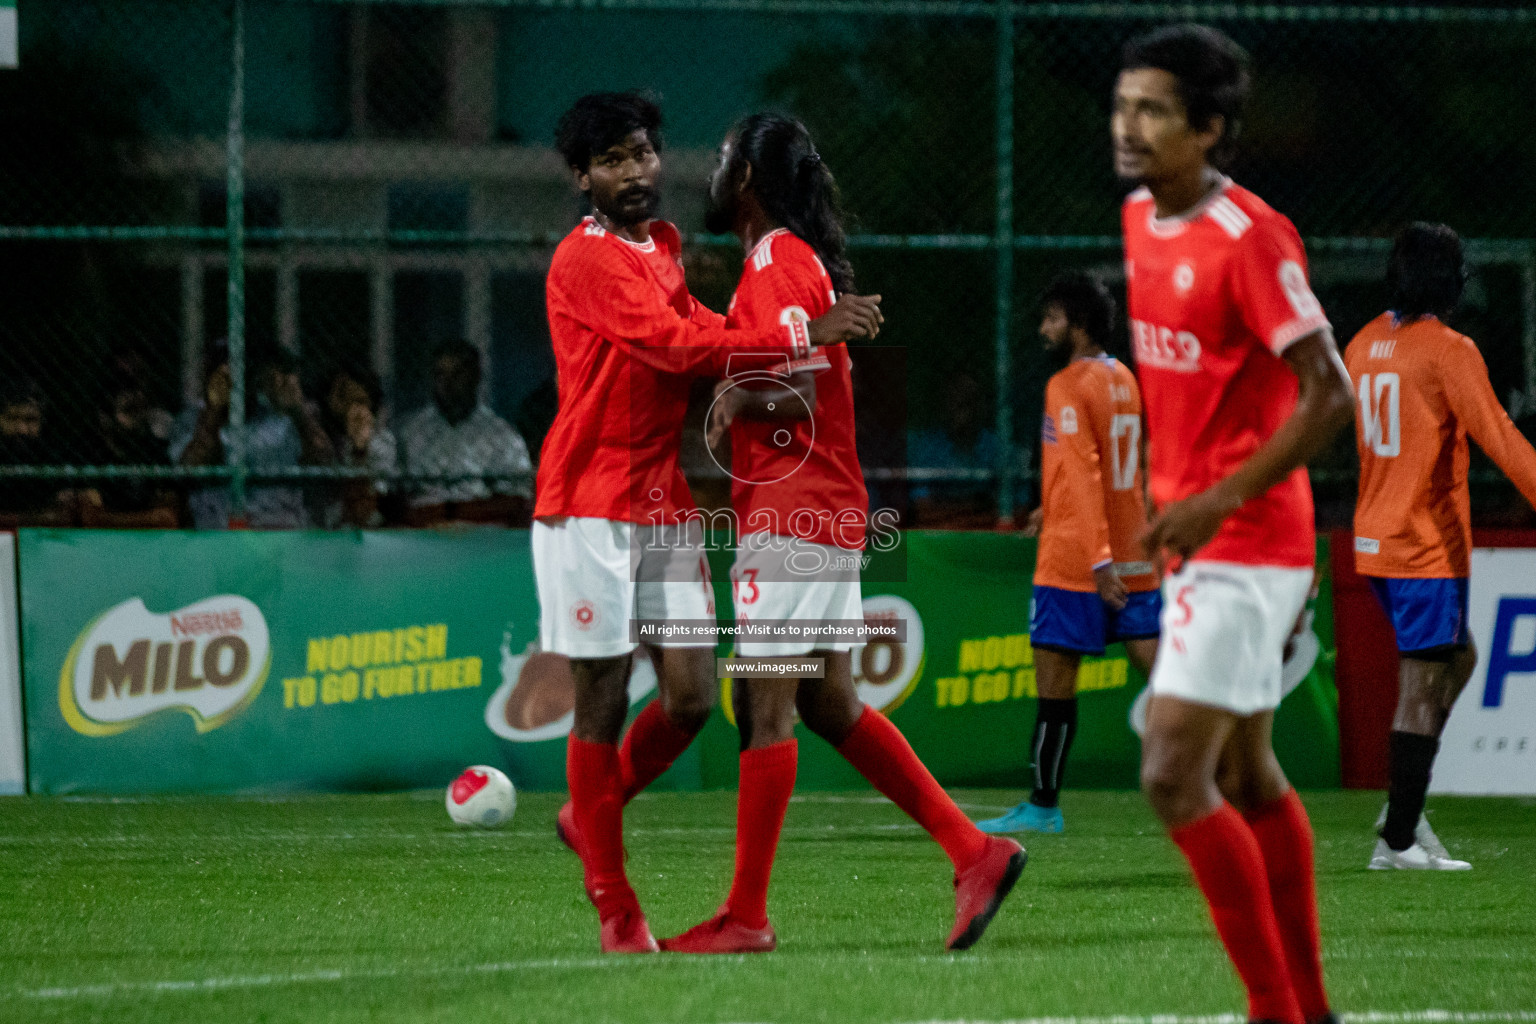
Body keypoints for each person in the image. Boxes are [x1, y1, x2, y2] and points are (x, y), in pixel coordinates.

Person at [655, 113, 1023, 955]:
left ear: (746, 175)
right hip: (817, 511)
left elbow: (804, 397)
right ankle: (976, 853)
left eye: (720, 157)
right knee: (827, 702)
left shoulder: (780, 261)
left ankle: (746, 916)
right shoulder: (783, 261)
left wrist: (743, 399)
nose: (711, 171)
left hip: (795, 513)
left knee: (764, 702)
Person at [534, 92, 881, 954]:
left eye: (645, 152)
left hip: (661, 506)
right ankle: (616, 908)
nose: (637, 171)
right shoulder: (584, 262)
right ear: (583, 177)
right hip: (587, 506)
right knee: (603, 699)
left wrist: (786, 338)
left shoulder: (664, 248)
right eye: (613, 159)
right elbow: (670, 346)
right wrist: (800, 341)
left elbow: (708, 328)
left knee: (690, 701)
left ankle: (592, 814)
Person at [1115, 25, 1353, 1024]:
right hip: (1196, 540)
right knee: (1248, 774)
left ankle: (1272, 1009)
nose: (1128, 127)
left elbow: (1329, 396)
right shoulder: (1138, 217)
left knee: (1173, 770)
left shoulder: (1251, 237)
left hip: (1250, 539)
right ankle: (1307, 1005)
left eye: (1155, 110)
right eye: (1123, 105)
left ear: (1208, 129)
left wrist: (1215, 498)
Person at [1346, 223, 1536, 870]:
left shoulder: (1364, 343)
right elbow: (1501, 438)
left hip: (1373, 540)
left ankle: (1403, 803)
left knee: (1458, 661)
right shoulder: (1448, 349)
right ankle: (1396, 841)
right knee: (1422, 686)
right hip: (1423, 545)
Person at [977, 272, 1158, 835]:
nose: (1043, 328)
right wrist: (1048, 507)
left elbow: (1081, 474)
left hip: (1080, 565)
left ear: (1077, 325)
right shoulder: (1124, 378)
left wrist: (1097, 560)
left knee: (1055, 689)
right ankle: (1228, 780)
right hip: (1135, 555)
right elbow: (1106, 467)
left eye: (1052, 318)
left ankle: (1042, 806)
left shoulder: (1067, 386)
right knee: (1172, 679)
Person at [170, 347, 336, 529]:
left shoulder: (283, 417)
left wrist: (298, 410)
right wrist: (214, 411)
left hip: (279, 531)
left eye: (245, 371)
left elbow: (325, 465)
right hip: (218, 533)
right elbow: (189, 472)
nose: (237, 380)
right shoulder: (193, 418)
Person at [397, 341, 531, 526]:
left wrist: (452, 511)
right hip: (423, 533)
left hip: (480, 535)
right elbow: (394, 499)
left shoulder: (501, 435)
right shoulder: (410, 431)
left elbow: (515, 500)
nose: (448, 383)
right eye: (440, 375)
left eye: (457, 374)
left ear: (476, 377)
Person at [80, 379, 180, 528]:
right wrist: (150, 518)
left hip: (150, 544)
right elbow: (92, 519)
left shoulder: (154, 451)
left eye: (142, 409)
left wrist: (113, 519)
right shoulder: (91, 454)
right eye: (130, 410)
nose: (139, 418)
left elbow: (169, 516)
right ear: (105, 418)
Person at [320, 364, 398, 529]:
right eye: (346, 400)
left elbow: (366, 509)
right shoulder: (326, 439)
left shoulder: (383, 441)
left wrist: (359, 449)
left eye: (360, 402)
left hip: (369, 527)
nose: (353, 409)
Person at [0, 378, 75, 527]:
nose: (21, 429)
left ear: (42, 421)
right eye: (13, 418)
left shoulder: (54, 453)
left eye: (30, 420)